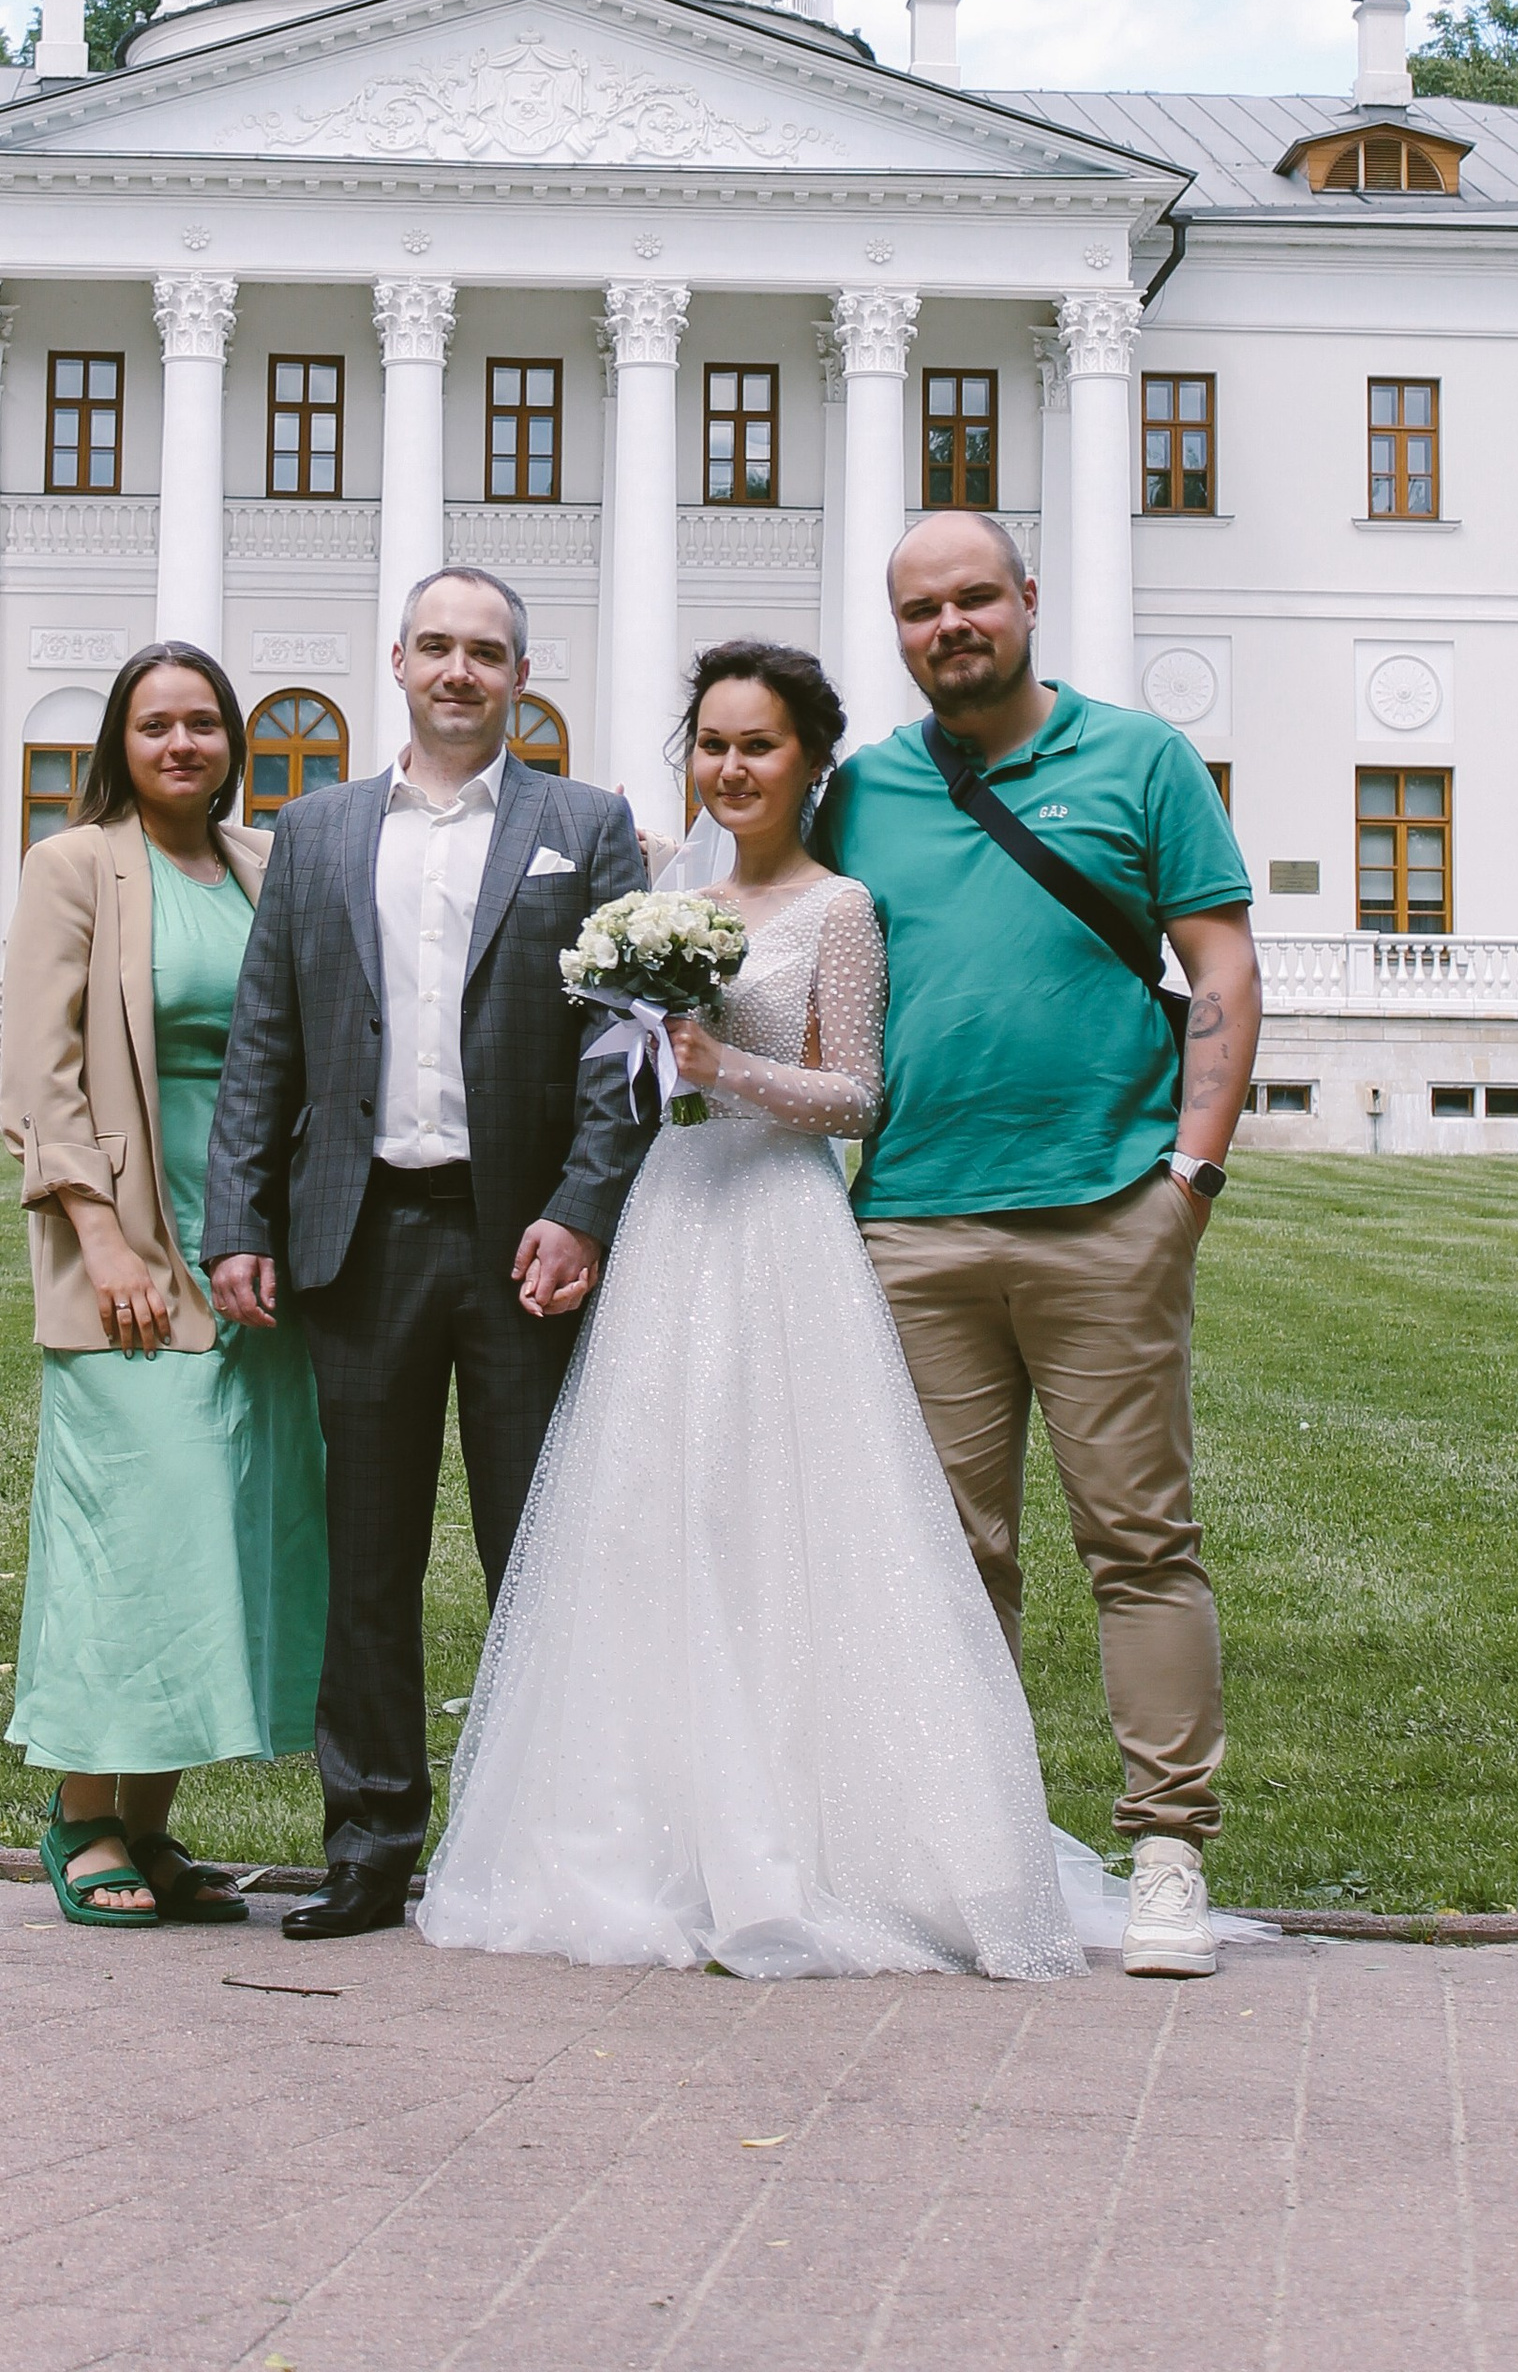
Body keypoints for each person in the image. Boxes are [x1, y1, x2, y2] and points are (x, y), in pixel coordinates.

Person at [418, 641, 1086, 1982]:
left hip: (779, 1222)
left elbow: (859, 1099)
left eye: (759, 745)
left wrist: (729, 1069)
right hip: (673, 1216)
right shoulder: (667, 894)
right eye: (713, 744)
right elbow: (622, 1077)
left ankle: (810, 1834)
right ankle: (649, 1828)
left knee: (794, 1517)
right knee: (656, 1513)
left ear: (809, 760)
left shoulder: (839, 908)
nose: (732, 767)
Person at [817, 510, 1260, 1979]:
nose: (950, 627)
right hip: (913, 1221)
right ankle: (975, 1848)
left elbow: (1222, 967)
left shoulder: (1140, 760)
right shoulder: (866, 790)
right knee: (946, 1559)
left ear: (1027, 600)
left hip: (1102, 1210)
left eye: (973, 600)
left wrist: (1187, 1177)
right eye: (920, 610)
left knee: (1138, 1542)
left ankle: (1167, 1850)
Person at [205, 569, 648, 1943]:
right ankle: (372, 1841)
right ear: (395, 660)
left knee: (537, 1551)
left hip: (519, 1241)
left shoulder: (586, 826)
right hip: (362, 1238)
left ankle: (545, 1840)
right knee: (368, 1557)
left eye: (489, 652)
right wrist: (238, 1222)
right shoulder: (319, 830)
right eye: (439, 647)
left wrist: (581, 1208)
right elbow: (264, 1039)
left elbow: (620, 1041)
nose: (461, 670)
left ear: (521, 674)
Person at [0, 641, 326, 1926]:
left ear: (233, 743)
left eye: (203, 724)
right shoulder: (74, 865)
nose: (182, 745)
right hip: (132, 1242)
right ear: (118, 747)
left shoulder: (263, 865)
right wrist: (103, 1236)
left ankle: (149, 1826)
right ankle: (80, 1819)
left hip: (254, 1243)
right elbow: (41, 1077)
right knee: (132, 1532)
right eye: (156, 726)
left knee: (214, 1544)